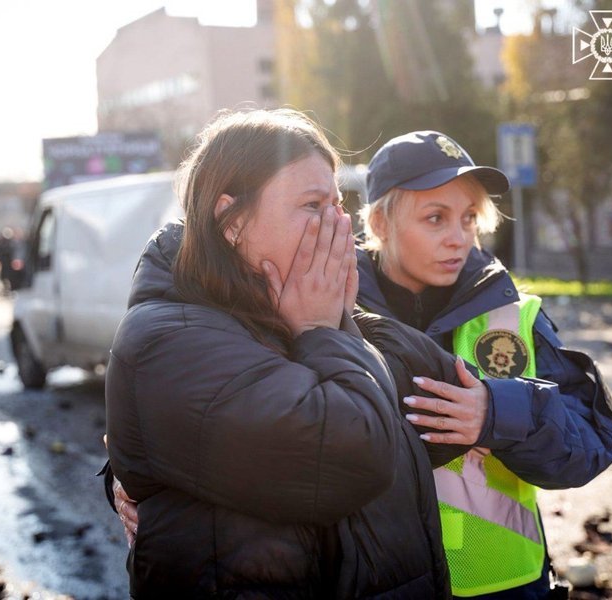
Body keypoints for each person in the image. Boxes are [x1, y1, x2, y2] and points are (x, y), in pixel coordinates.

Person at [105, 109, 494, 598]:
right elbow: (355, 456)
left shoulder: (293, 312)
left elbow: (443, 396)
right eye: (313, 205)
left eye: (337, 204)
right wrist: (321, 329)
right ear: (232, 221)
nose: (338, 224)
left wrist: (336, 319)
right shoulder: (170, 338)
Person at [355, 131, 612, 598]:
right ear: (380, 222)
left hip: (502, 583)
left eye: (469, 218)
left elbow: (590, 448)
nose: (458, 238)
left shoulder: (514, 316)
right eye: (435, 218)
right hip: (374, 582)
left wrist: (499, 413)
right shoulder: (331, 313)